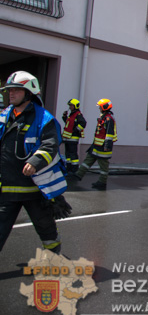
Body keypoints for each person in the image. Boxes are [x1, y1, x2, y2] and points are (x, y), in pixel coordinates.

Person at [0, 71, 71, 254]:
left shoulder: (44, 119)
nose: (11, 94)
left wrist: (35, 161)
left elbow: (50, 144)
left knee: (46, 228)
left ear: (29, 93)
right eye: (10, 90)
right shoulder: (5, 115)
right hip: (7, 187)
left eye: (16, 90)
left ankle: (53, 255)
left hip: (35, 189)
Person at [68, 99, 117, 190]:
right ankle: (78, 175)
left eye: (100, 107)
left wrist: (107, 146)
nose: (99, 108)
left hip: (103, 147)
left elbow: (109, 134)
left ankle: (102, 182)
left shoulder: (108, 119)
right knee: (88, 160)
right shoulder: (104, 117)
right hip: (96, 145)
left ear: (104, 107)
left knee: (103, 165)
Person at [61, 98, 86, 173]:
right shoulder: (71, 115)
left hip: (73, 138)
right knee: (68, 155)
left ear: (75, 106)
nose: (70, 107)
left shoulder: (78, 115)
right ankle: (68, 169)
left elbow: (83, 123)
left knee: (73, 155)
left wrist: (75, 131)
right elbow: (69, 124)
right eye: (69, 105)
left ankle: (74, 170)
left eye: (71, 105)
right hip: (68, 139)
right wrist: (64, 117)